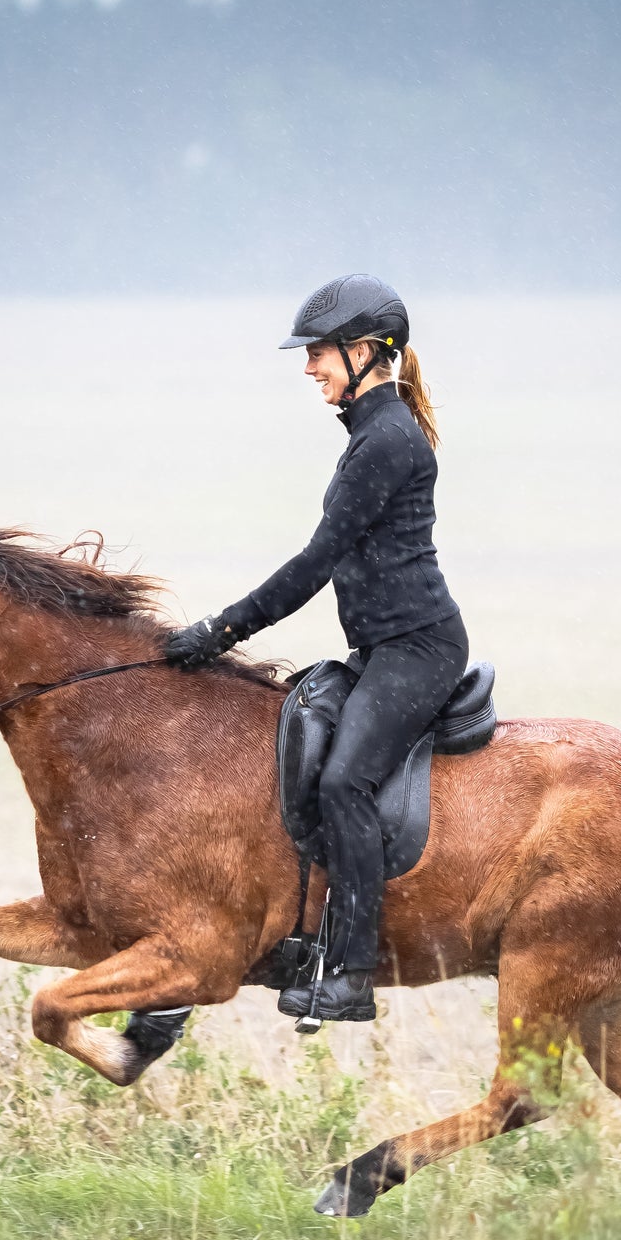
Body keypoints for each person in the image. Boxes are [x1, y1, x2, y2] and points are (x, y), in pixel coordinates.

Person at [164, 275, 469, 1024]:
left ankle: (351, 971)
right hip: (381, 648)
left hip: (416, 650)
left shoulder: (385, 440)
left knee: (342, 785)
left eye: (320, 354)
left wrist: (221, 630)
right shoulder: (372, 433)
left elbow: (315, 561)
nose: (309, 369)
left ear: (365, 352)